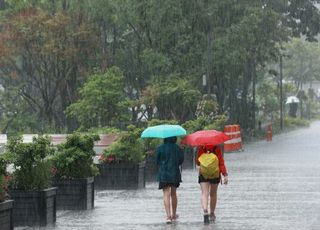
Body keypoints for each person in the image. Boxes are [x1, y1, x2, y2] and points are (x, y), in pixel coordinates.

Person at [196, 145, 228, 224]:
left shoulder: (201, 148)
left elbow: (197, 162)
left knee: (204, 193)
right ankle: (212, 213)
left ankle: (205, 210)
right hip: (215, 174)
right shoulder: (217, 148)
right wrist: (225, 174)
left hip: (203, 174)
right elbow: (221, 162)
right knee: (213, 194)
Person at [156, 136, 184, 224]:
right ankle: (174, 214)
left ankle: (168, 216)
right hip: (174, 173)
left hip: (164, 174)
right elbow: (181, 161)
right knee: (173, 194)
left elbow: (157, 161)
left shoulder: (160, 148)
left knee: (166, 194)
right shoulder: (177, 148)